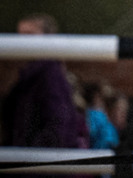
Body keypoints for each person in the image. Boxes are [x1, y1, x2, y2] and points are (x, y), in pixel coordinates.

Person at [1, 14, 88, 151]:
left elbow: (58, 124)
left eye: (29, 34)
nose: (21, 41)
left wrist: (31, 162)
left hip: (37, 164)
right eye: (19, 35)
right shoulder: (29, 75)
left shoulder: (49, 74)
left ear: (49, 38)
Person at [82, 81, 119, 150]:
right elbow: (91, 132)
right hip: (97, 150)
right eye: (103, 97)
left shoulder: (104, 114)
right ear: (96, 96)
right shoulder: (92, 114)